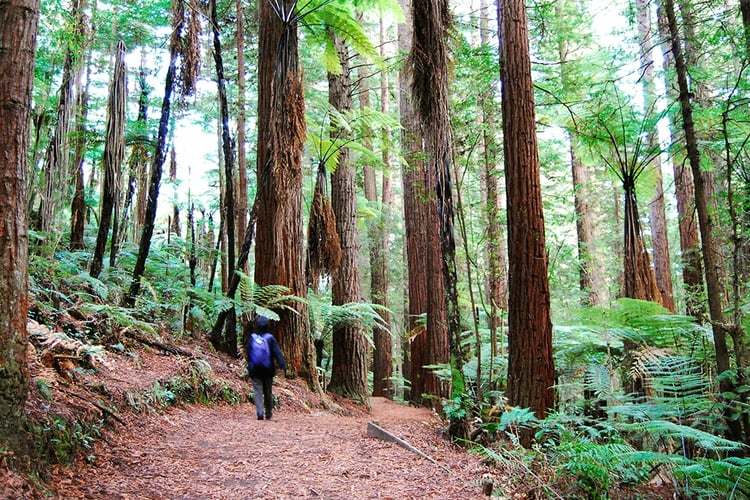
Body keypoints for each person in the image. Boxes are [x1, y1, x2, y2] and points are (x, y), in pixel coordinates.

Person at [247, 315, 286, 420]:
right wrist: (282, 364)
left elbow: (248, 352)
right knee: (268, 391)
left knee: (257, 390)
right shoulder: (270, 338)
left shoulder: (252, 338)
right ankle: (268, 413)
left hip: (255, 369)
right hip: (268, 369)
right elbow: (277, 353)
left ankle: (260, 412)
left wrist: (250, 365)